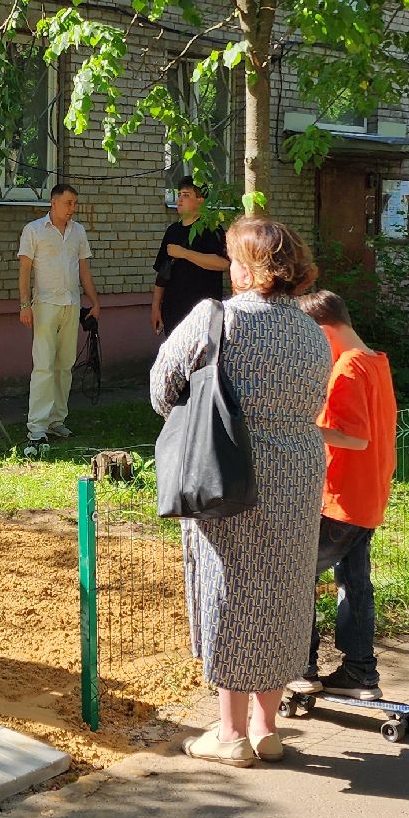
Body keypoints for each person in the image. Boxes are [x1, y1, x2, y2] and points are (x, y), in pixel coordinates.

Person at [150, 216, 332, 767]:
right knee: (284, 589)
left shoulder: (215, 318)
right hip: (300, 475)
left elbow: (162, 390)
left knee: (229, 587)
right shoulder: (310, 330)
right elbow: (314, 398)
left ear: (252, 269)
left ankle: (228, 735)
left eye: (234, 259)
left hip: (228, 471)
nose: (229, 268)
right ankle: (266, 728)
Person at [286, 289, 398, 703]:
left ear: (323, 330)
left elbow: (354, 437)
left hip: (341, 499)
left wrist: (298, 429)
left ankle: (300, 667)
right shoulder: (374, 361)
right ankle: (359, 671)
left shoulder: (348, 370)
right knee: (354, 583)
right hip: (367, 495)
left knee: (294, 578)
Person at [17, 183, 98, 444]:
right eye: (68, 203)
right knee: (43, 365)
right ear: (53, 203)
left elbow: (83, 269)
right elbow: (25, 270)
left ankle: (56, 420)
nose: (72, 208)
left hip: (71, 304)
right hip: (44, 305)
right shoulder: (34, 230)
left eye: (74, 203)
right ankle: (37, 426)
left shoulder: (78, 232)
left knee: (65, 365)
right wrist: (24, 304)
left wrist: (94, 301)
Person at [150, 178, 229, 337]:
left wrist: (185, 253)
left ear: (200, 200)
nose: (179, 199)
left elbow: (223, 263)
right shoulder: (173, 231)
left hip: (205, 313)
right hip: (174, 311)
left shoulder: (211, 228)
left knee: (205, 361)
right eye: (179, 194)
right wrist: (155, 307)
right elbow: (162, 273)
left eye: (186, 195)